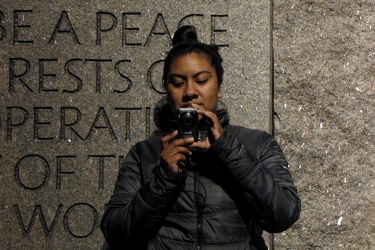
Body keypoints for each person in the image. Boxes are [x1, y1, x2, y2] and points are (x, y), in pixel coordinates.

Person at [100, 25, 301, 250]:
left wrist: (227, 150)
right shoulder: (144, 154)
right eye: (177, 83)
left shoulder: (256, 144)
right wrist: (163, 178)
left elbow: (284, 215)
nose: (189, 92)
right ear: (167, 90)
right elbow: (115, 233)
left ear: (219, 87)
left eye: (202, 80)